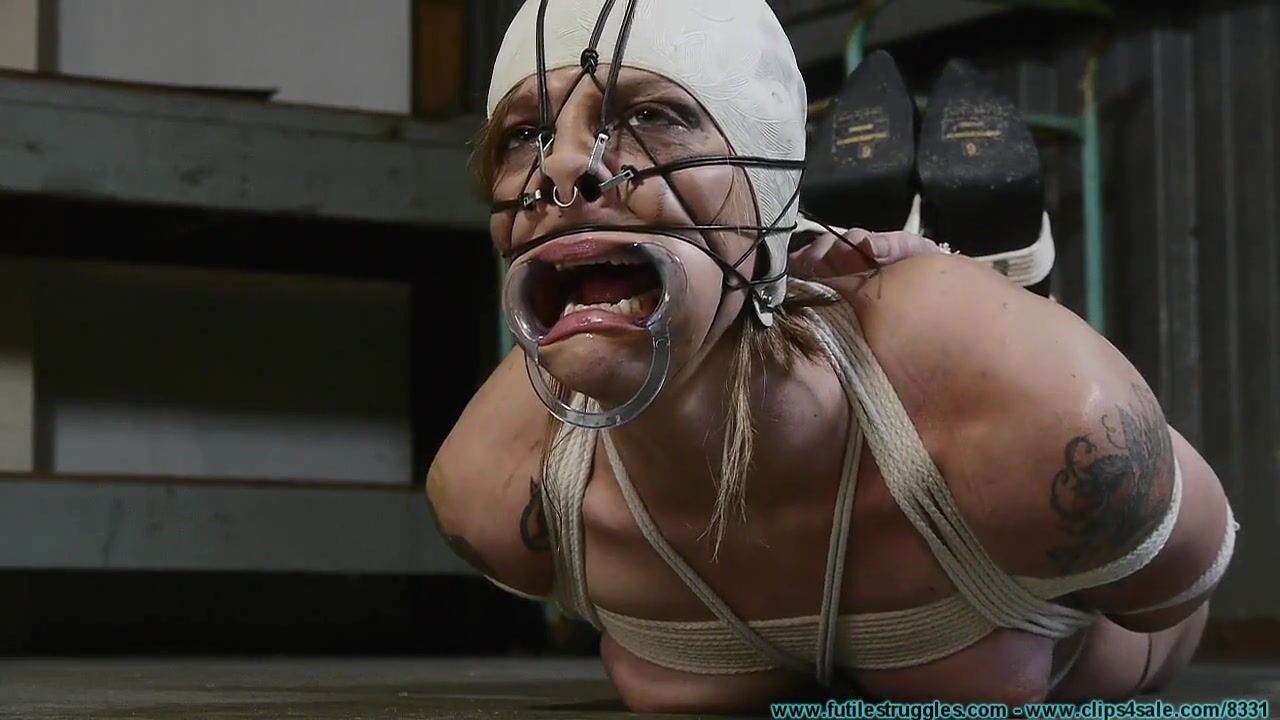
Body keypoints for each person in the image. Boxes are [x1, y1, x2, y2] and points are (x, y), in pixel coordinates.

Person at [426, 0, 1238, 713]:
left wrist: (1010, 343)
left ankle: (1005, 287)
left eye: (652, 115)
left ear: (772, 191)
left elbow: (1172, 592)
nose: (562, 166)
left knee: (1093, 616)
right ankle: (958, 264)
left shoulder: (1056, 426)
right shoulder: (490, 489)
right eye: (525, 135)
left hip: (948, 445)